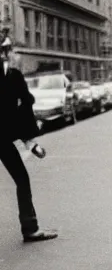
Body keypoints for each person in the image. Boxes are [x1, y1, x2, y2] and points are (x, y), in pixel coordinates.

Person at [0, 33, 58, 242]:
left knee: (22, 180)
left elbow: (18, 112)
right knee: (22, 180)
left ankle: (30, 228)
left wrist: (30, 143)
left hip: (3, 139)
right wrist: (30, 142)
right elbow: (22, 110)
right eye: (11, 50)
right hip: (4, 140)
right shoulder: (13, 77)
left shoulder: (13, 77)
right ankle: (30, 228)